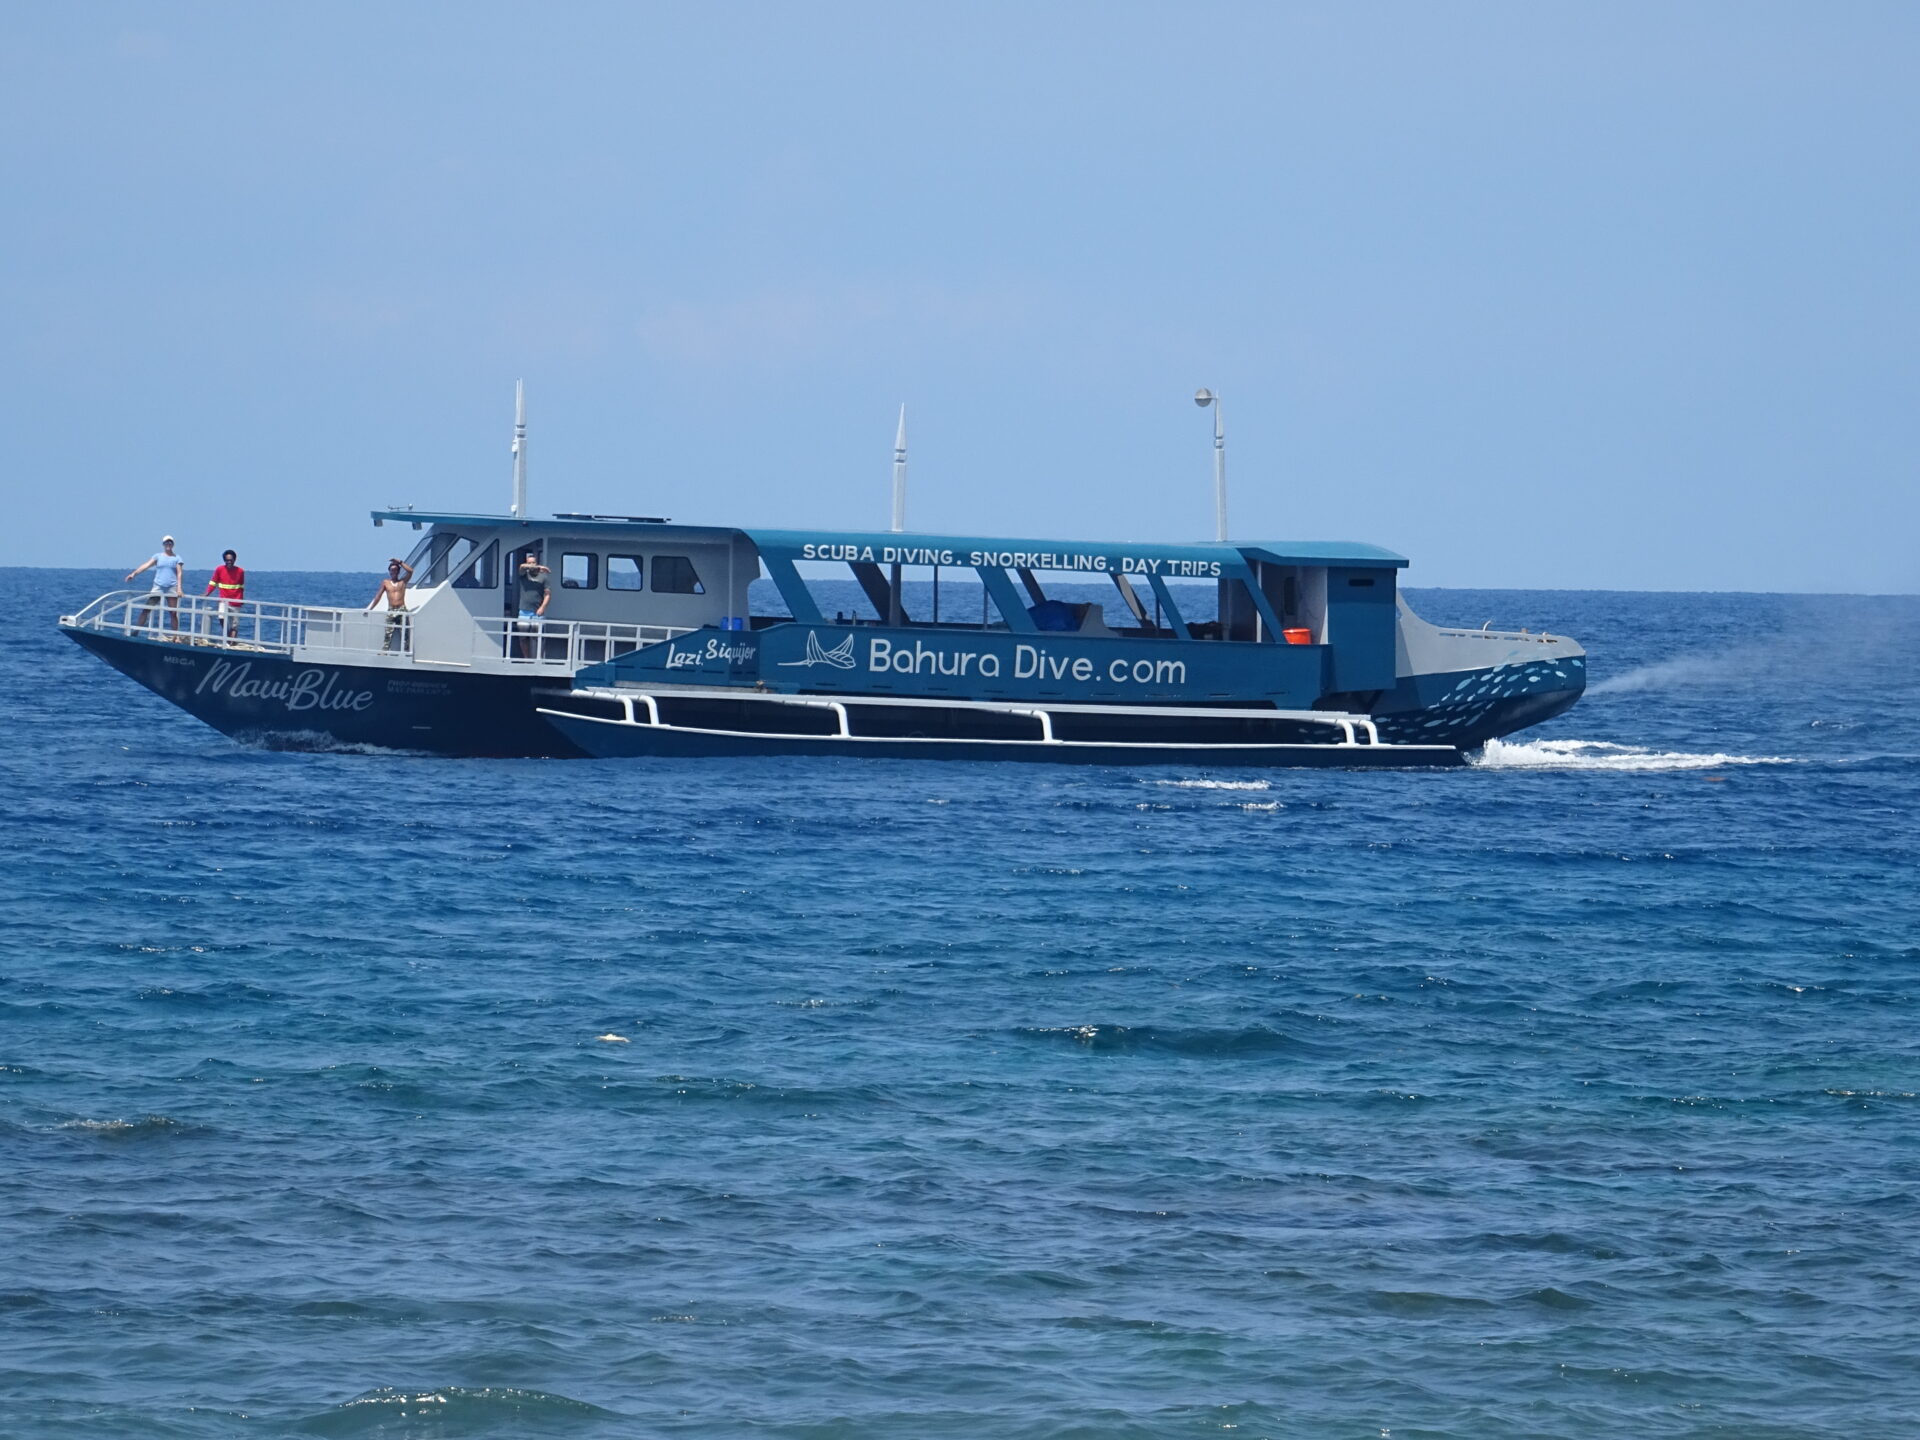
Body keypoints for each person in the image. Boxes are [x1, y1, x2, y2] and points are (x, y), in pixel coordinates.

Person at [126, 536, 185, 634]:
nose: (168, 545)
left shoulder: (177, 558)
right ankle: (136, 631)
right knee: (146, 609)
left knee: (173, 613)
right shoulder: (158, 556)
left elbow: (179, 573)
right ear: (163, 544)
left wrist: (179, 589)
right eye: (166, 543)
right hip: (158, 587)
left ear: (173, 544)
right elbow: (146, 565)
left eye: (170, 543)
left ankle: (176, 636)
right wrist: (134, 574)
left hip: (171, 587)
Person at [368, 556, 414, 651]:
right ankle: (385, 651)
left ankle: (405, 651)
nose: (394, 572)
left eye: (396, 570)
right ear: (389, 571)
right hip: (391, 610)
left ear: (398, 571)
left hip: (402, 609)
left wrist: (400, 562)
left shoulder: (402, 582)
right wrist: (370, 608)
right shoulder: (386, 583)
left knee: (405, 633)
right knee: (388, 633)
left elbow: (410, 571)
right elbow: (378, 596)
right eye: (392, 570)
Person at [514, 551, 552, 657]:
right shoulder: (523, 575)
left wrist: (542, 607)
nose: (531, 565)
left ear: (536, 563)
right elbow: (521, 567)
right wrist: (539, 567)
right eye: (529, 563)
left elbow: (548, 594)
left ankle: (538, 659)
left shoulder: (544, 577)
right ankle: (527, 658)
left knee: (539, 637)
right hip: (524, 611)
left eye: (534, 562)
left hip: (537, 612)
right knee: (523, 637)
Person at [205, 549, 246, 638]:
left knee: (234, 625)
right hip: (223, 600)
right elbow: (213, 583)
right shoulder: (219, 570)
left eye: (231, 560)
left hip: (236, 601)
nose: (229, 562)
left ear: (234, 560)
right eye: (227, 560)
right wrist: (207, 593)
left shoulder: (240, 571)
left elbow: (241, 587)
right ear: (224, 560)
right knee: (221, 617)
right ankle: (227, 635)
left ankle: (232, 642)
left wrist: (241, 600)